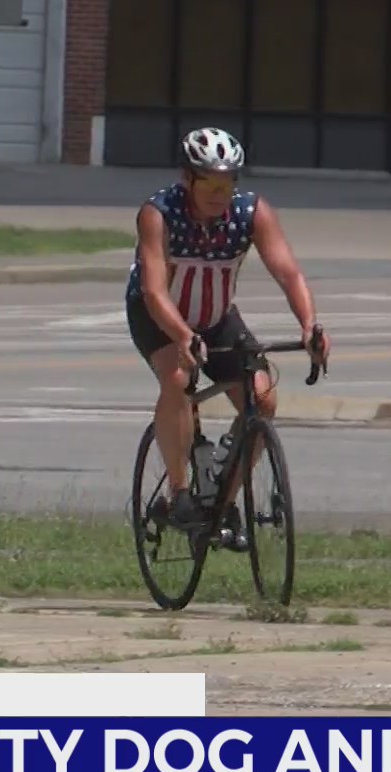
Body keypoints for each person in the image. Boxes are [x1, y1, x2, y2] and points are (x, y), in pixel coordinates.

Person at [125, 127, 330, 528]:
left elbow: (289, 274)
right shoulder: (159, 213)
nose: (220, 193)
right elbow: (152, 290)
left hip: (216, 317)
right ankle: (180, 495)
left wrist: (309, 326)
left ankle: (223, 499)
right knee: (178, 377)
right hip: (160, 316)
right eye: (210, 183)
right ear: (188, 179)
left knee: (263, 401)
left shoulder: (250, 213)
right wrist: (184, 336)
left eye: (228, 182)